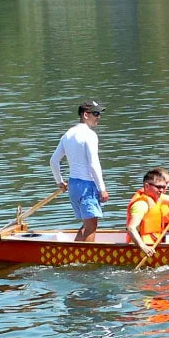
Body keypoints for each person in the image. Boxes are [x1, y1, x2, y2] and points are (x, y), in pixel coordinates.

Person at [50, 99, 108, 242]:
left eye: (99, 114)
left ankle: (74, 257)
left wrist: (60, 182)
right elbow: (94, 164)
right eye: (95, 114)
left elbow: (53, 161)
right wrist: (102, 189)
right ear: (85, 115)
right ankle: (86, 262)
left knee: (85, 224)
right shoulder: (90, 135)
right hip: (87, 185)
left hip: (73, 185)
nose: (98, 117)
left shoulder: (68, 134)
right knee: (91, 227)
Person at [126, 167, 169, 257]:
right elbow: (131, 228)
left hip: (156, 239)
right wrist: (143, 247)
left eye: (163, 187)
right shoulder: (141, 204)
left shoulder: (158, 197)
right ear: (147, 186)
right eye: (158, 187)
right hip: (145, 244)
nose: (162, 190)